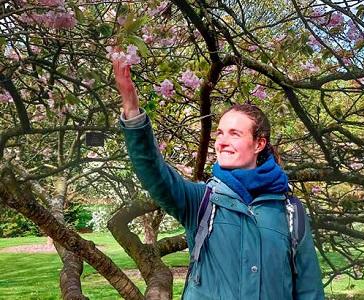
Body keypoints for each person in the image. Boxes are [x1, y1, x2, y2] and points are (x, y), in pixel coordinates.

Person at [114, 60, 325, 300]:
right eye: (220, 133)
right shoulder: (202, 201)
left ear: (259, 144)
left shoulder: (290, 212)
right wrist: (132, 112)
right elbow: (155, 174)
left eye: (234, 134)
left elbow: (309, 290)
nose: (222, 142)